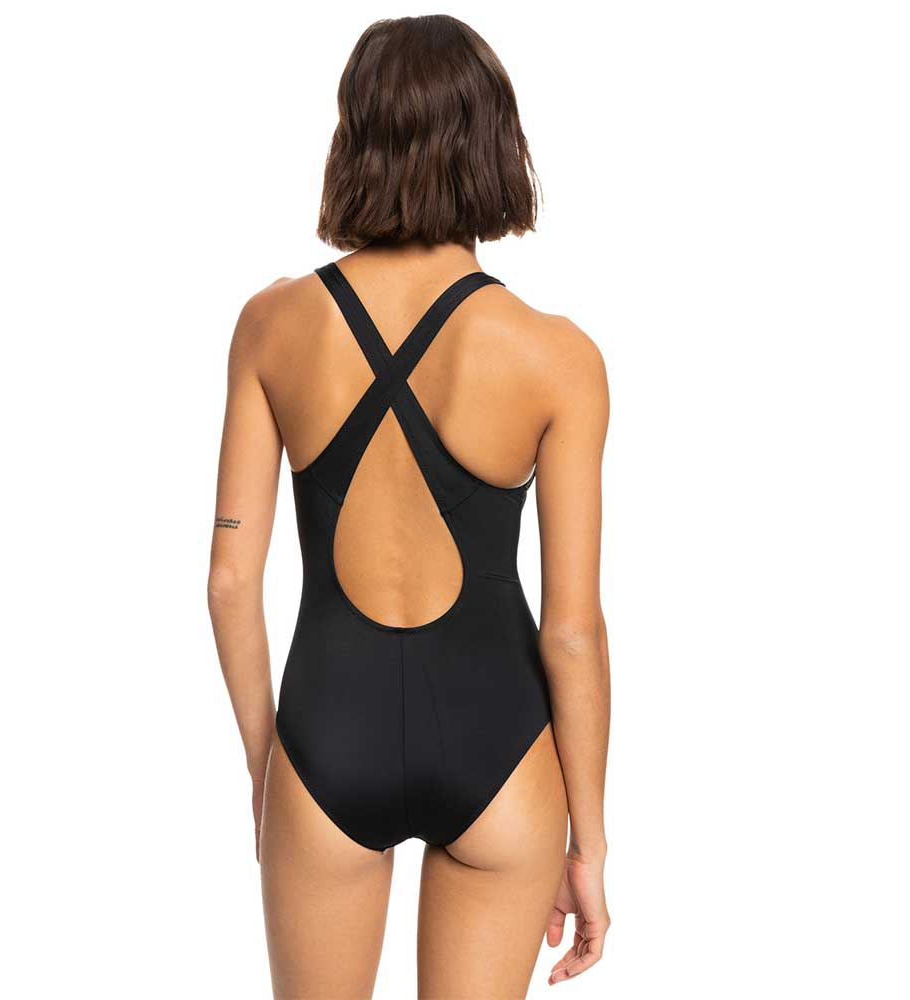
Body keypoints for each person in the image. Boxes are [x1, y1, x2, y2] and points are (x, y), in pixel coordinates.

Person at [208, 14, 611, 999]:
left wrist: (270, 769)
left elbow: (228, 582)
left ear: (356, 138)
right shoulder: (556, 356)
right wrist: (588, 843)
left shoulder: (271, 325)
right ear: (495, 142)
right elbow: (571, 633)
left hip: (324, 736)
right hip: (501, 749)